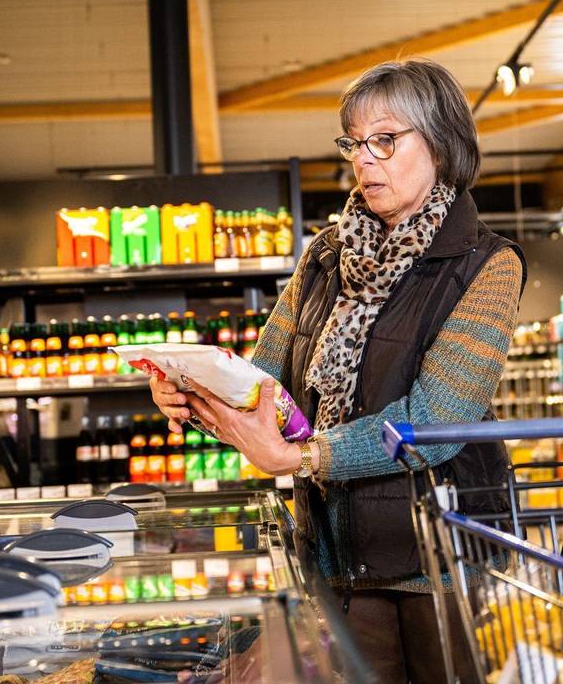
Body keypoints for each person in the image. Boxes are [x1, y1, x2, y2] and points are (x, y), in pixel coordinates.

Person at [150, 59, 525, 683]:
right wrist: (190, 394)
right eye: (355, 142)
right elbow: (262, 382)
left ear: (441, 142)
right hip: (336, 557)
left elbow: (439, 420)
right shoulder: (325, 257)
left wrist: (305, 458)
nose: (364, 159)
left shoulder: (487, 263)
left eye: (385, 140)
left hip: (443, 558)